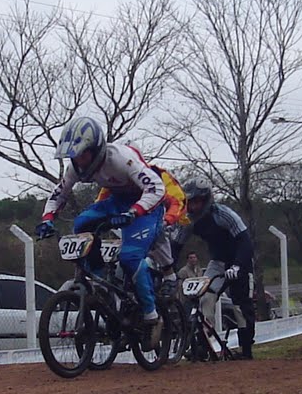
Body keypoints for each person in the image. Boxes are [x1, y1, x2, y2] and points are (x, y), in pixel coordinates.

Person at [35, 115, 167, 337]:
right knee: (82, 223)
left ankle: (151, 314)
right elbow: (59, 194)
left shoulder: (121, 158)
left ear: (96, 149)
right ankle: (102, 280)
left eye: (82, 155)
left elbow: (157, 188)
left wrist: (134, 212)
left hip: (147, 205)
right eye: (74, 157)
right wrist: (47, 219)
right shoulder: (75, 168)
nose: (79, 161)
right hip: (118, 202)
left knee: (130, 257)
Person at [170, 177, 257, 359]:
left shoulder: (223, 214)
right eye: (190, 202)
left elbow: (245, 241)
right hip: (217, 263)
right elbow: (176, 246)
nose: (193, 207)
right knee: (205, 298)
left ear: (206, 199)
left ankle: (246, 349)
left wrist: (238, 265)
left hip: (240, 262)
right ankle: (203, 345)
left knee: (240, 305)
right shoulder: (188, 220)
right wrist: (168, 269)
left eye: (197, 202)